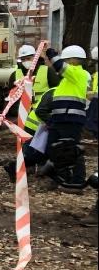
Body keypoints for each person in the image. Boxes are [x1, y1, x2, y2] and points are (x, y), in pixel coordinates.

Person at [42, 45, 90, 190]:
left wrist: (51, 53)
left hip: (71, 120)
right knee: (56, 150)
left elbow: (60, 66)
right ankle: (61, 178)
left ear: (75, 61)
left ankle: (76, 181)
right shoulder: (69, 78)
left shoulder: (78, 73)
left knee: (71, 150)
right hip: (60, 119)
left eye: (67, 60)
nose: (65, 63)